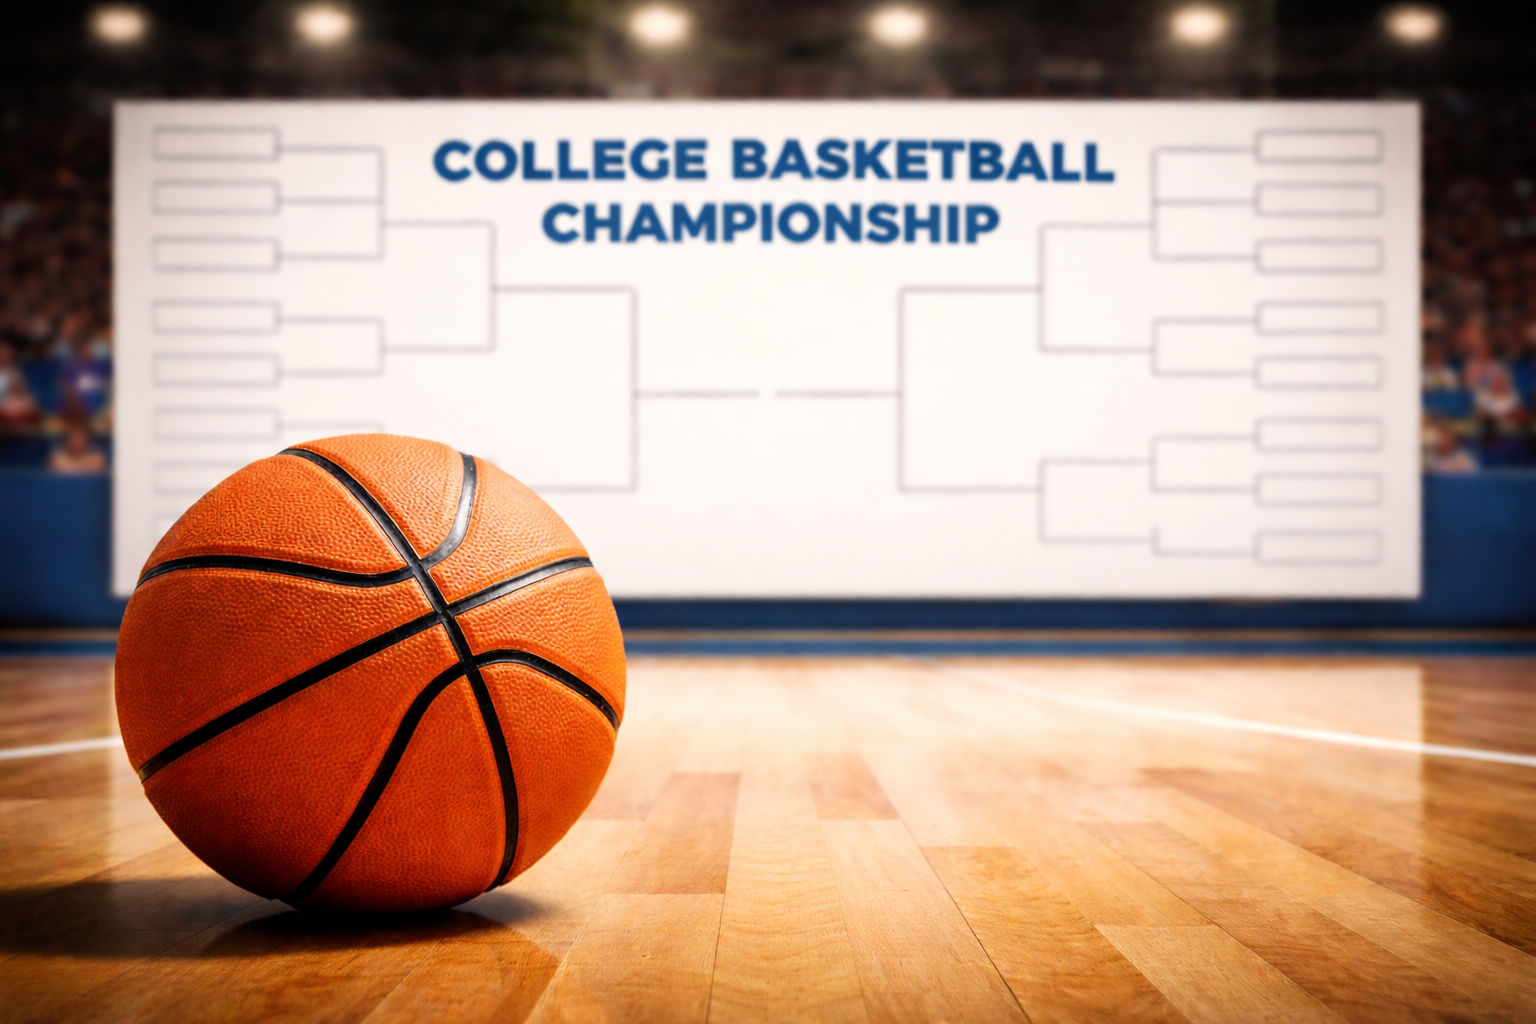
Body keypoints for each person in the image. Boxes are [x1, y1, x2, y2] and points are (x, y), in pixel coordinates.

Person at [0, 342, 41, 428]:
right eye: (1, 354)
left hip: (12, 407)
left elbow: (20, 392)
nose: (3, 357)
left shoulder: (15, 374)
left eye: (6, 354)